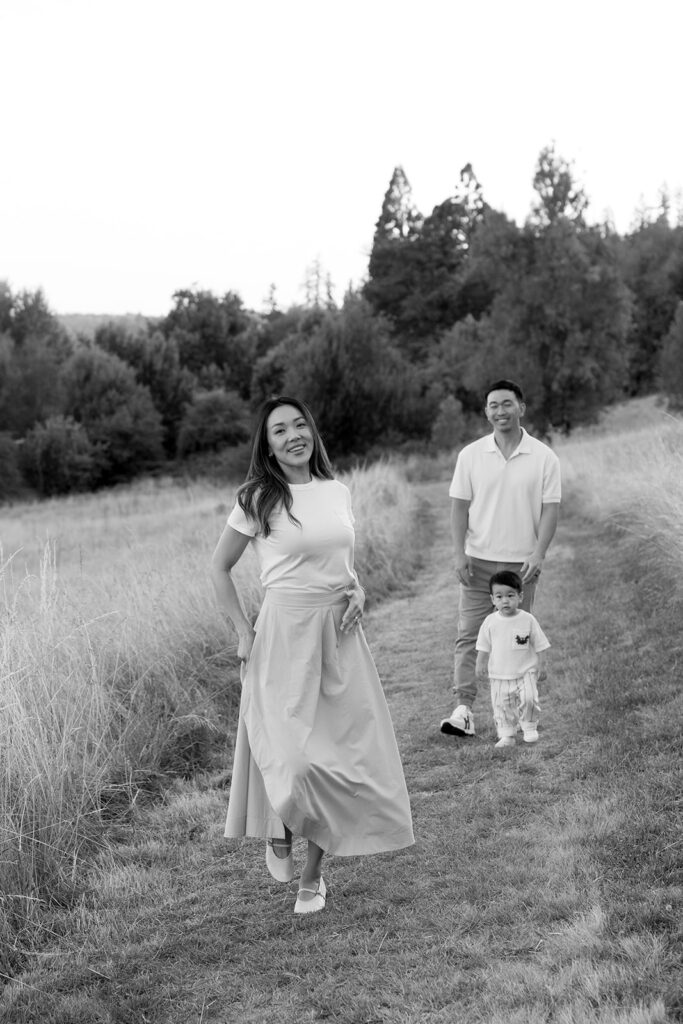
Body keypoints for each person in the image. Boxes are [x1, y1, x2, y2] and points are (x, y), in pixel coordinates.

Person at [211, 396, 414, 916]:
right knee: (296, 760)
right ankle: (283, 819)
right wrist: (241, 631)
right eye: (280, 430)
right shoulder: (257, 498)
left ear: (313, 432)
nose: (293, 435)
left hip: (339, 633)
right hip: (281, 633)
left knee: (339, 758)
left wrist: (360, 591)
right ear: (269, 445)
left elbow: (341, 564)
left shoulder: (337, 491)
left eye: (300, 424)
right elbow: (220, 568)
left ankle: (313, 875)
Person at [440, 379, 561, 738]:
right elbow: (458, 509)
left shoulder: (544, 457)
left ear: (521, 408)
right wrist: (458, 554)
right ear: (486, 411)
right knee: (469, 635)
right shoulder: (470, 456)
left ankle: (519, 708)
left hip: (520, 566)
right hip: (477, 563)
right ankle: (463, 709)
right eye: (493, 405)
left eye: (507, 404)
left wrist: (539, 553)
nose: (500, 411)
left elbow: (550, 511)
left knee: (516, 636)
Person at [475, 570, 550, 747]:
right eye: (499, 597)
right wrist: (480, 664)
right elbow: (483, 646)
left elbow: (540, 644)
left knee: (530, 698)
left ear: (520, 596)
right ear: (492, 599)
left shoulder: (528, 619)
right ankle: (507, 734)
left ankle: (529, 726)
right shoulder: (490, 622)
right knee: (502, 705)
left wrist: (542, 665)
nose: (505, 600)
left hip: (526, 671)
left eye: (510, 595)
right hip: (500, 674)